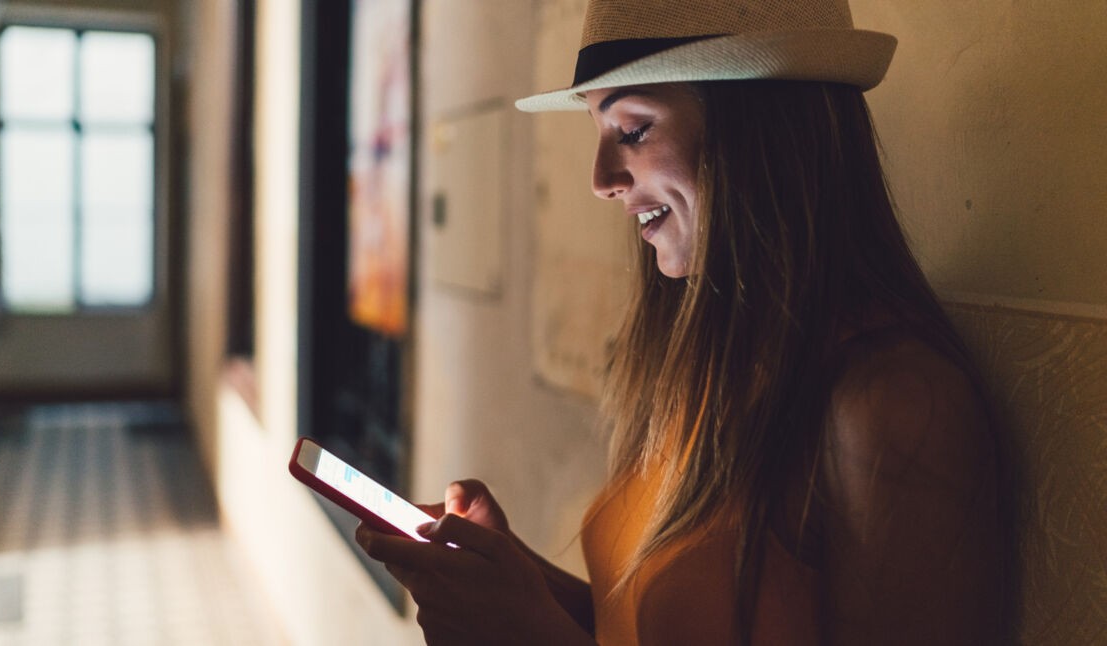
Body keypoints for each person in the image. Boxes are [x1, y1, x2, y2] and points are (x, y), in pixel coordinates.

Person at [357, 0, 1012, 643]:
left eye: (633, 130)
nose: (600, 178)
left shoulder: (895, 408)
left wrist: (527, 632)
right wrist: (516, 581)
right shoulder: (696, 365)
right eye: (599, 133)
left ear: (760, 129)